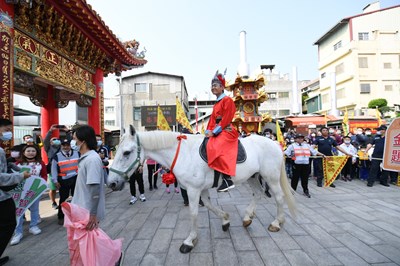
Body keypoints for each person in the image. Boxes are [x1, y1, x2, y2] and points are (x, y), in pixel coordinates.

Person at [0, 119, 31, 265]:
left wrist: (11, 165)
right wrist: (21, 176)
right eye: (6, 129)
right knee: (9, 224)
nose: (9, 133)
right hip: (1, 197)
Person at [205, 71, 239, 192]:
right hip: (218, 129)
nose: (213, 87)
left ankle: (227, 179)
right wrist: (207, 131)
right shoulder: (217, 104)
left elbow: (226, 119)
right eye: (212, 85)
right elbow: (212, 120)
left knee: (216, 145)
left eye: (216, 85)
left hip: (226, 129)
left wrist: (214, 132)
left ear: (222, 87)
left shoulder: (227, 100)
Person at [70, 125, 105, 231]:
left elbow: (94, 188)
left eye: (75, 139)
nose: (73, 142)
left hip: (86, 213)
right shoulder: (86, 158)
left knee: (88, 245)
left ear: (83, 141)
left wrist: (92, 214)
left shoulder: (92, 159)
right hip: (82, 209)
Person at [11, 144, 47, 245]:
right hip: (21, 192)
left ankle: (33, 226)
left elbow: (44, 174)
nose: (31, 153)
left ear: (36, 152)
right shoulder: (18, 164)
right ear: (23, 152)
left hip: (35, 190)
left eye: (33, 151)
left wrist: (42, 183)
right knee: (19, 212)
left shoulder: (40, 163)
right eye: (28, 151)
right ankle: (17, 232)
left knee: (35, 209)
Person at [51, 139, 79, 225]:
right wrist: (55, 181)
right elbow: (54, 170)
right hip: (63, 180)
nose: (66, 147)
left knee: (77, 198)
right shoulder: (56, 156)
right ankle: (61, 216)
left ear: (70, 145)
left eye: (67, 145)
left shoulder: (77, 153)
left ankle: (76, 216)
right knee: (63, 199)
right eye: (64, 145)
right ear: (61, 146)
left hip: (76, 178)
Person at [44, 125, 63, 209]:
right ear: (50, 142)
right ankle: (53, 202)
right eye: (54, 139)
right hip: (52, 171)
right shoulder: (48, 148)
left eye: (58, 139)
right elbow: (46, 141)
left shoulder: (63, 148)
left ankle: (63, 203)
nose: (56, 141)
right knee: (53, 188)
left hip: (62, 171)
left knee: (63, 188)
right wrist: (50, 131)